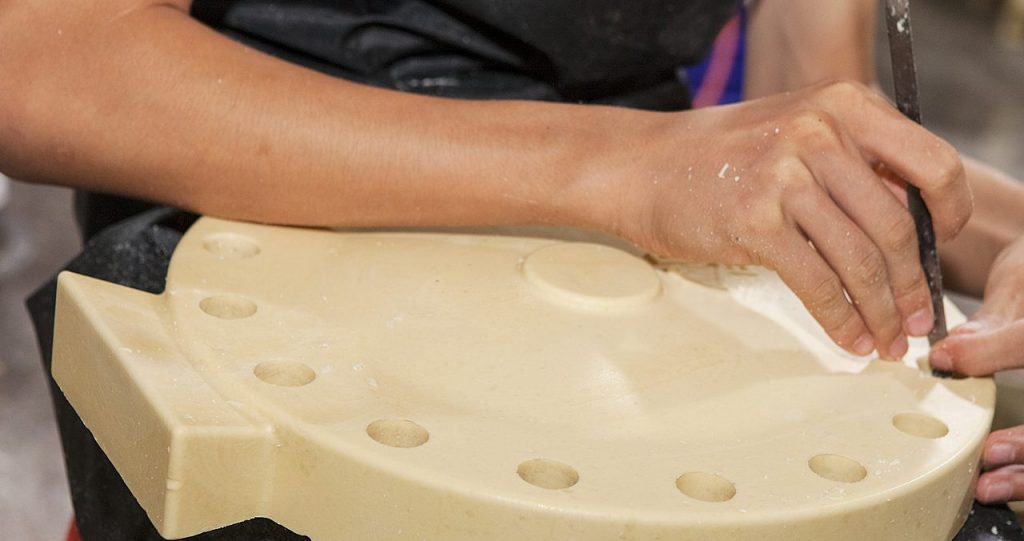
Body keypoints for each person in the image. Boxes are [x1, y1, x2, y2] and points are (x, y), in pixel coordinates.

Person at [0, 0, 1022, 521]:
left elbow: (810, 110)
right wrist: (632, 165)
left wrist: (1011, 229)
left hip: (636, 233)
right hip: (266, 207)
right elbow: (41, 59)